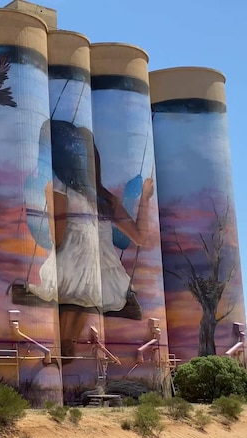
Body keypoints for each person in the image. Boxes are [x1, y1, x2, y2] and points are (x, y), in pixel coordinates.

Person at [29, 120, 154, 359]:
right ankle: (66, 347)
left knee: (77, 296)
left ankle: (65, 348)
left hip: (87, 269)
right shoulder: (97, 197)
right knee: (79, 296)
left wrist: (145, 198)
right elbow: (139, 237)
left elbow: (138, 238)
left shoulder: (77, 193)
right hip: (89, 272)